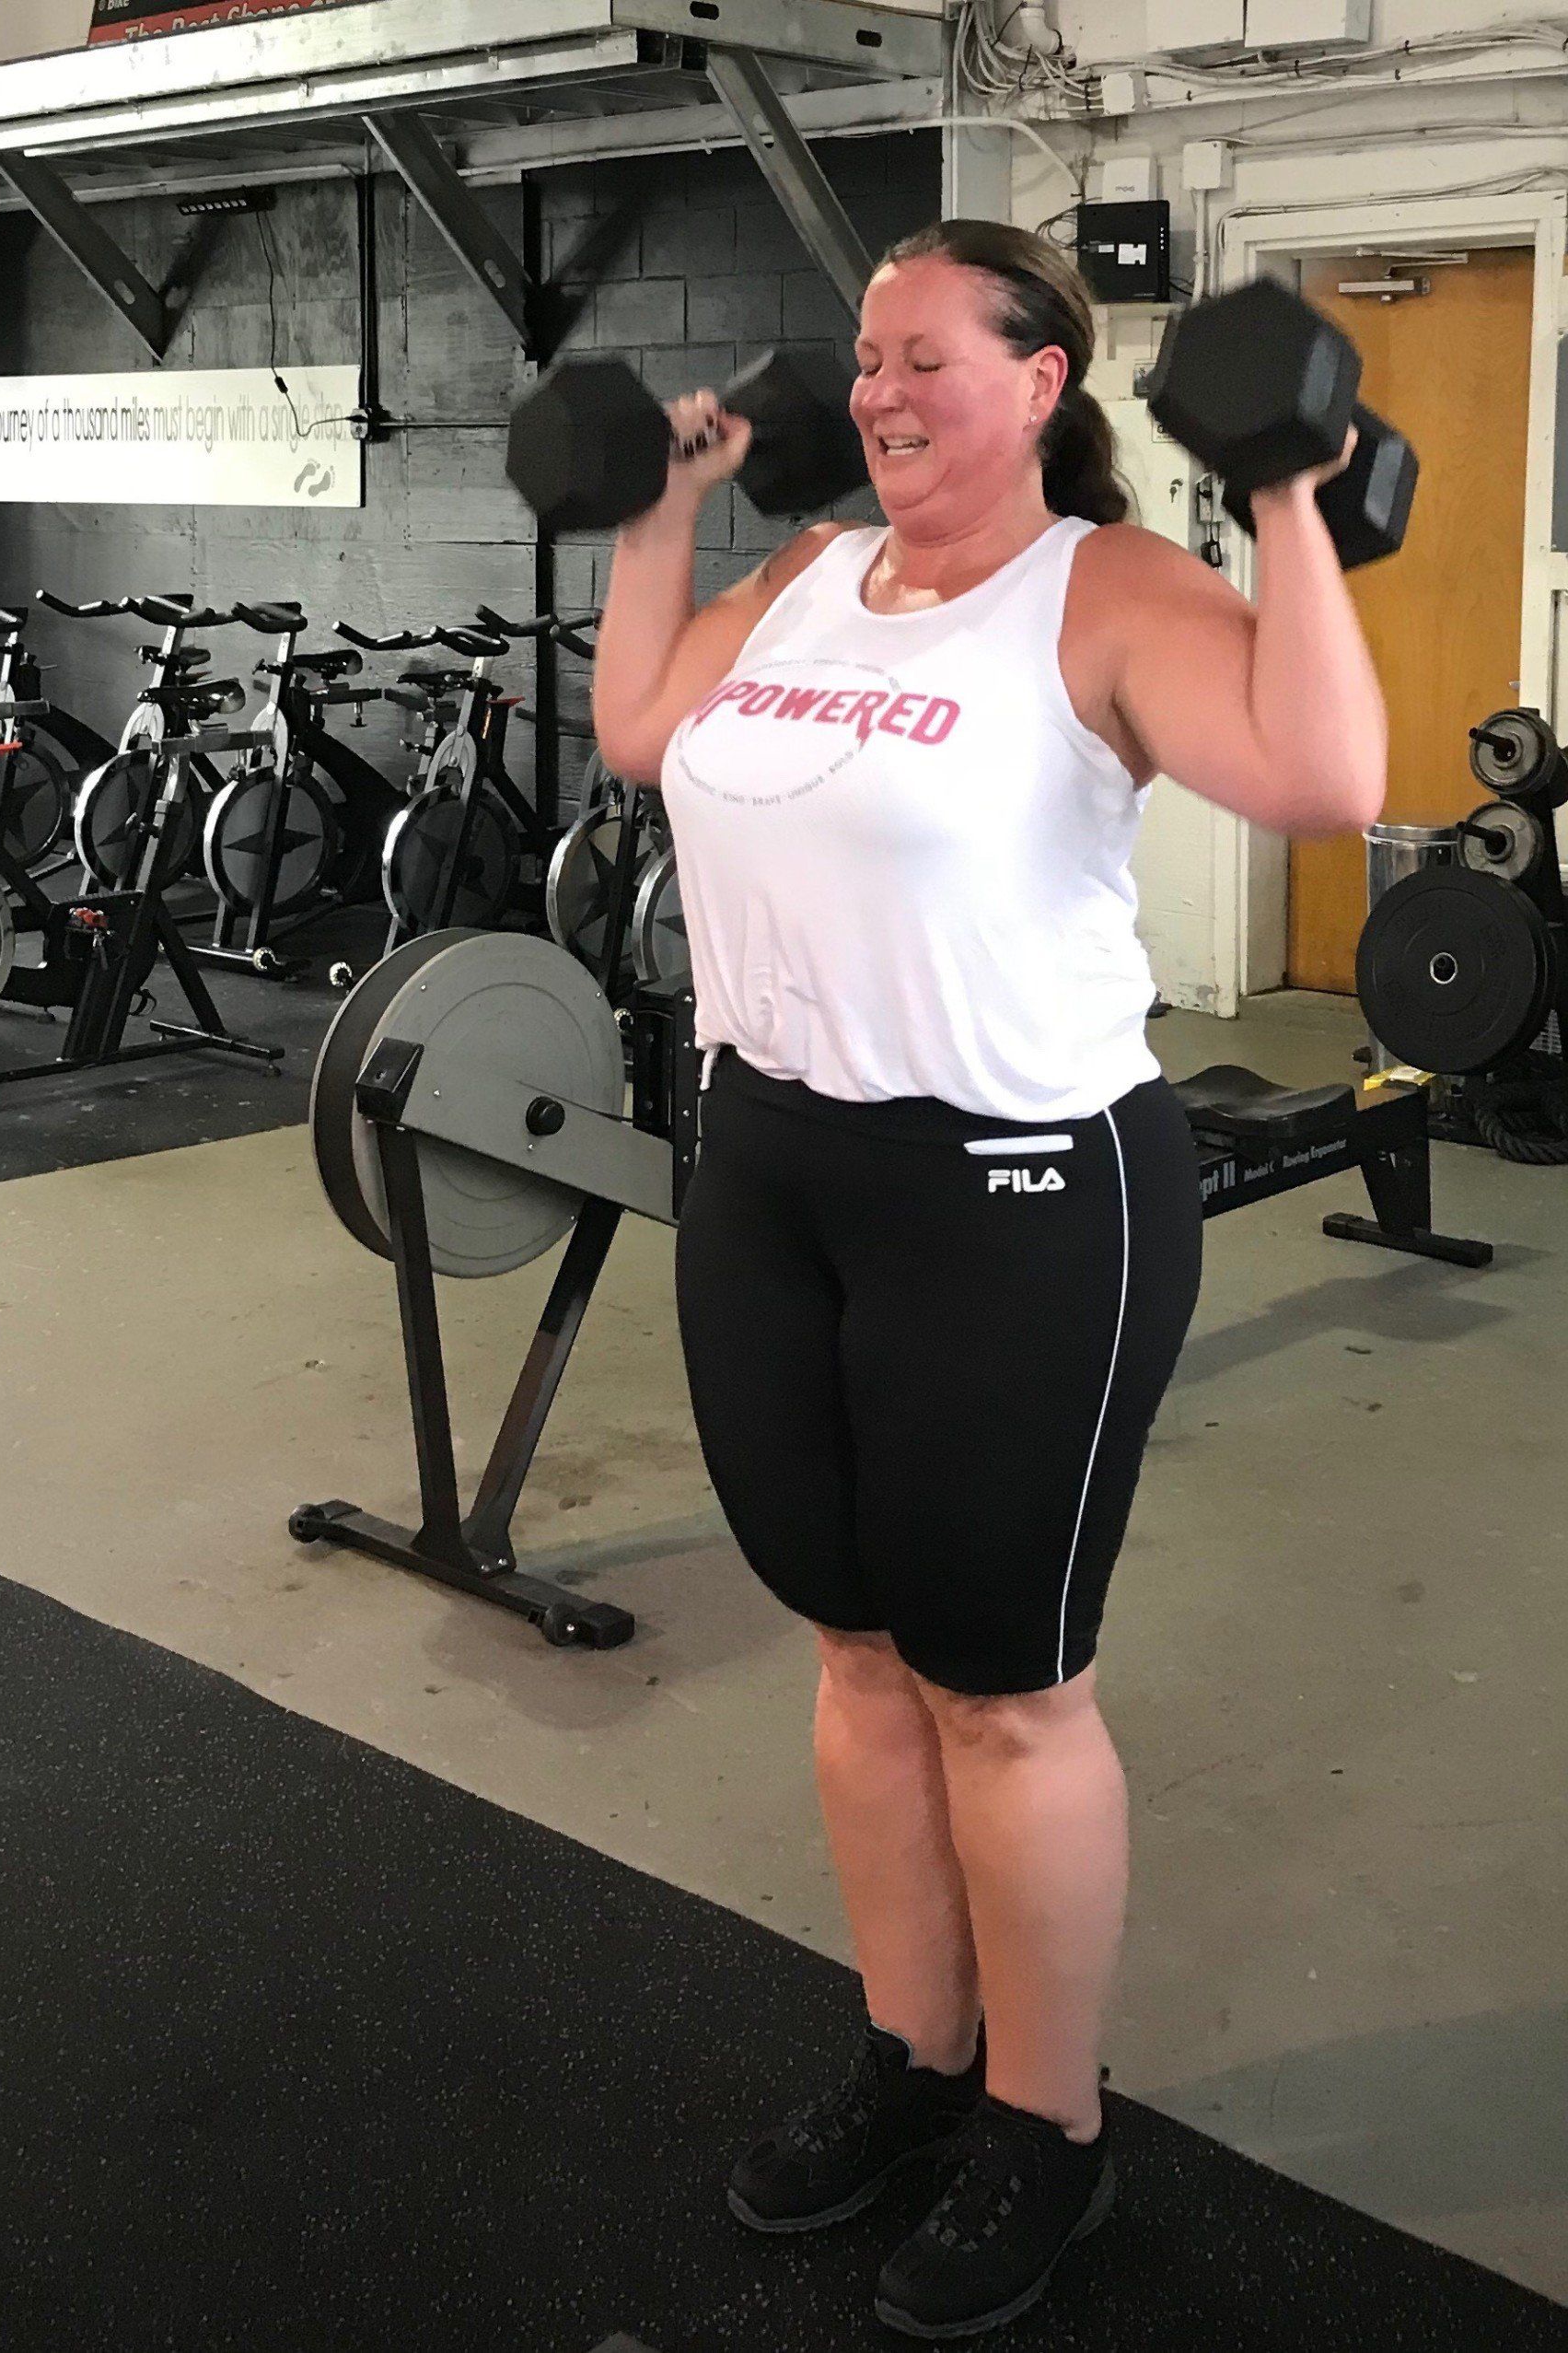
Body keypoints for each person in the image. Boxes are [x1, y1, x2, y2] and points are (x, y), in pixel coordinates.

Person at [591, 217, 1387, 2340]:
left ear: (1045, 381)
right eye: (867, 358)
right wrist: (661, 507)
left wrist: (1294, 496)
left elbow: (1325, 781)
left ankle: (1046, 2129)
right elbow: (643, 732)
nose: (879, 391)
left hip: (1018, 1189)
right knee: (857, 1651)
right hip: (770, 1168)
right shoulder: (804, 578)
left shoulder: (1105, 589)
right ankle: (913, 2057)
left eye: (928, 354)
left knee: (1007, 1694)